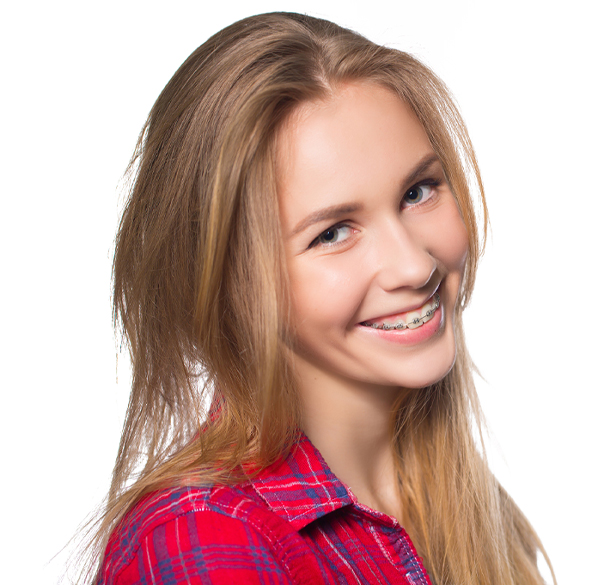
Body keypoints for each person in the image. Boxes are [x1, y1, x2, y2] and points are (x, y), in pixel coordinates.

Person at [88, 12, 554, 585]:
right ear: (231, 282)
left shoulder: (471, 510)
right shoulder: (204, 538)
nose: (415, 264)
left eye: (418, 191)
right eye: (333, 232)